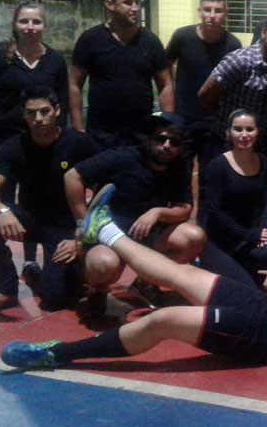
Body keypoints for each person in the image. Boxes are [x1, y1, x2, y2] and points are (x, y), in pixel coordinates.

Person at [0, 188, 267, 371]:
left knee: (164, 321)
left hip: (264, 336)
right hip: (262, 306)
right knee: (180, 273)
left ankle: (56, 353)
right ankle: (103, 230)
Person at [0, 86, 98, 316]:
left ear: (57, 110)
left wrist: (81, 237)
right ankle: (4, 289)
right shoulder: (14, 146)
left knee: (55, 299)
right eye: (31, 113)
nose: (38, 118)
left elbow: (105, 191)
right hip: (29, 220)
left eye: (44, 111)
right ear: (24, 115)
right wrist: (1, 210)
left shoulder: (79, 144)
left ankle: (68, 275)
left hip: (66, 228)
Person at [64, 113, 205, 316]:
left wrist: (157, 213)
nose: (166, 145)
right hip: (108, 236)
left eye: (174, 142)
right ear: (149, 139)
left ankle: (145, 284)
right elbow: (72, 177)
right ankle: (98, 289)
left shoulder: (180, 166)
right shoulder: (123, 157)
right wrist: (82, 222)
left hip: (147, 234)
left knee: (194, 238)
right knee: (104, 264)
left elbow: (184, 208)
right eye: (160, 139)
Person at [0, 0, 70, 288]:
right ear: (15, 25)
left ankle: (32, 260)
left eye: (36, 22)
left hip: (40, 142)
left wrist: (59, 142)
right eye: (24, 21)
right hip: (5, 143)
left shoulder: (55, 61)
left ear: (44, 25)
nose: (30, 27)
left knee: (36, 200)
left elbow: (62, 104)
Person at [69, 0, 173, 149]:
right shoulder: (91, 39)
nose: (135, 8)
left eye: (137, 2)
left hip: (141, 134)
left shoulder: (151, 42)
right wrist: (78, 128)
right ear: (109, 5)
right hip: (101, 134)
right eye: (128, 3)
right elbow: (74, 84)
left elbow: (165, 85)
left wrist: (166, 125)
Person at [165, 0, 243, 209]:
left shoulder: (232, 44)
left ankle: (205, 223)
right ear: (199, 11)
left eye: (218, 10)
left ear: (225, 14)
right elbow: (165, 68)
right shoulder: (182, 37)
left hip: (215, 124)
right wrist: (171, 106)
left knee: (210, 179)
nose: (212, 15)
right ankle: (178, 218)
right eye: (207, 10)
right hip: (184, 121)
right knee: (179, 175)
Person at [198, 15, 267, 177]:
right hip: (226, 143)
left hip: (257, 145)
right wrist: (225, 118)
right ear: (263, 33)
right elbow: (205, 94)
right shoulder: (239, 61)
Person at [204, 109, 267, 278]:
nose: (244, 135)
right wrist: (249, 234)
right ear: (228, 132)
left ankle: (244, 271)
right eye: (238, 129)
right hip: (225, 238)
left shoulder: (263, 161)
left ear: (257, 132)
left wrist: (263, 231)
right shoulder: (218, 165)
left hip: (251, 238)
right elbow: (214, 211)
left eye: (249, 129)